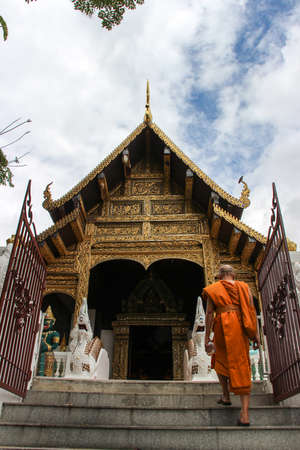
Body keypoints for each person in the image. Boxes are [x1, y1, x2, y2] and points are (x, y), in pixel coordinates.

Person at [202, 264, 260, 426]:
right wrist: (256, 335)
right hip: (241, 327)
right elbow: (251, 311)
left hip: (222, 326)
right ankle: (245, 413)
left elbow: (208, 314)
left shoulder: (214, 289)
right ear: (233, 275)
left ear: (219, 276)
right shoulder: (244, 287)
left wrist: (207, 338)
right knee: (242, 364)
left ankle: (226, 395)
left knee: (219, 359)